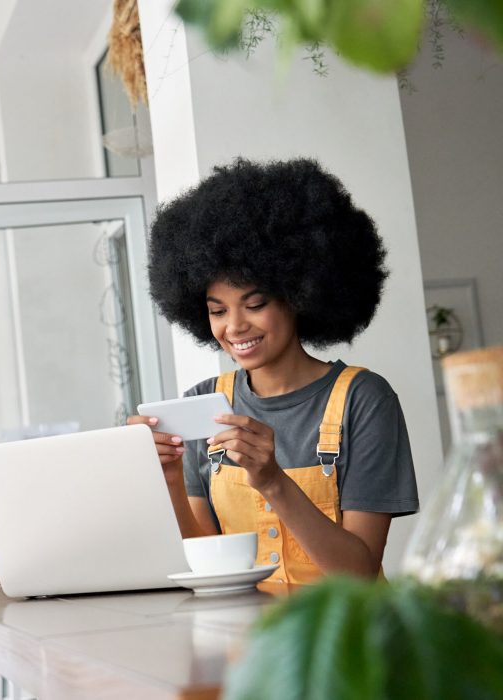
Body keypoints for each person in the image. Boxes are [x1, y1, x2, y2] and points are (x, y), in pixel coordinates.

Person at [129, 158, 419, 584]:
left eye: (255, 304)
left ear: (299, 293)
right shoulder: (201, 406)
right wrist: (169, 479)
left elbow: (358, 573)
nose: (235, 326)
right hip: (245, 641)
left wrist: (272, 480)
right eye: (217, 311)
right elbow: (205, 563)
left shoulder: (365, 399)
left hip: (348, 642)